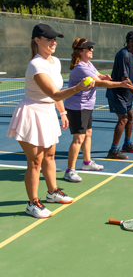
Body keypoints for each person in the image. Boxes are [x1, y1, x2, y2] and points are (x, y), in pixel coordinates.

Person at [6, 24, 94, 218]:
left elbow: (56, 96)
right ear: (37, 40)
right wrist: (79, 88)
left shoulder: (55, 61)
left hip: (48, 113)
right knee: (35, 161)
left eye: (55, 39)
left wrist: (62, 113)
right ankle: (32, 203)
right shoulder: (36, 65)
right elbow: (53, 92)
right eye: (49, 39)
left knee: (50, 156)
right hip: (32, 114)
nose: (54, 42)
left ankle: (53, 192)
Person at [63, 38, 133, 182]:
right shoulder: (81, 67)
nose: (92, 50)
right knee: (79, 138)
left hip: (86, 105)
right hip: (77, 107)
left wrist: (103, 76)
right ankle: (70, 170)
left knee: (88, 133)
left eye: (91, 48)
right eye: (89, 48)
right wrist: (120, 83)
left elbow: (98, 77)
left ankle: (87, 163)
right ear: (81, 51)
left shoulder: (88, 64)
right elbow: (100, 83)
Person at [105, 31, 133, 160]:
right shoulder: (123, 55)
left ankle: (127, 144)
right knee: (123, 119)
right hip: (117, 92)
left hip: (127, 93)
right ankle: (113, 151)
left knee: (130, 116)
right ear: (130, 41)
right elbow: (125, 79)